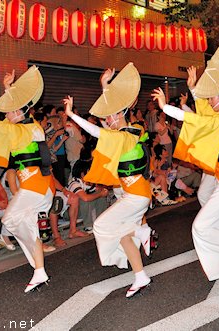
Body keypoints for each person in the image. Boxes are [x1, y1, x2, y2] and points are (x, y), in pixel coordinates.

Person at [152, 34, 219, 305]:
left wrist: (167, 108)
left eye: (213, 97)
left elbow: (200, 121)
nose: (210, 101)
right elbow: (205, 116)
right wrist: (195, 88)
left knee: (201, 227)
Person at [64, 63, 155, 298]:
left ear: (120, 115)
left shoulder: (126, 135)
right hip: (136, 195)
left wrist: (72, 115)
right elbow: (106, 122)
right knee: (122, 234)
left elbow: (97, 131)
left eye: (111, 116)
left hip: (135, 197)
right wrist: (105, 86)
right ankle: (140, 276)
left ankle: (141, 233)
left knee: (101, 226)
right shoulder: (124, 133)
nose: (107, 119)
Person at [0, 66, 54, 293]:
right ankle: (39, 269)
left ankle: (38, 258)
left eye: (8, 112)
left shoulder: (18, 131)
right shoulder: (33, 126)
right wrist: (9, 89)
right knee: (21, 223)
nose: (5, 115)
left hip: (33, 188)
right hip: (43, 188)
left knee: (9, 220)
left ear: (17, 113)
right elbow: (8, 121)